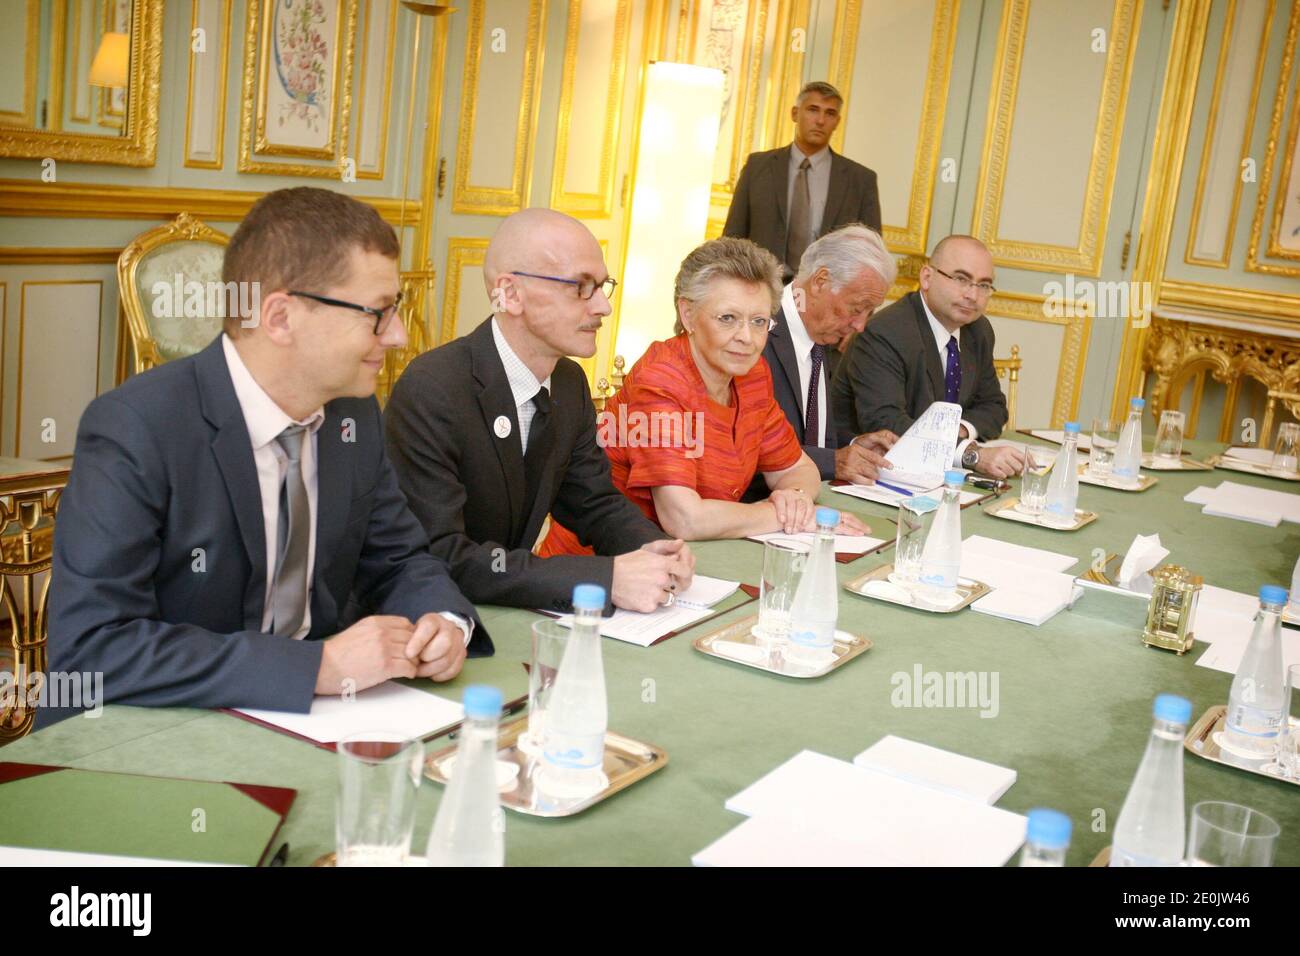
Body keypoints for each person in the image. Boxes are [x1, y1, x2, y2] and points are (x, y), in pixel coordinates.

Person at [41, 187, 486, 728]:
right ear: (279, 317)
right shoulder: (135, 427)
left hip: (312, 724)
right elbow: (92, 650)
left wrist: (440, 620)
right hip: (144, 737)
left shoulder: (354, 416)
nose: (397, 336)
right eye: (378, 314)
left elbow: (399, 559)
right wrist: (315, 667)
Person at [384, 209, 695, 616]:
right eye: (581, 287)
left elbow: (593, 503)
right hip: (433, 619)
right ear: (510, 294)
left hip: (509, 607)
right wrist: (603, 581)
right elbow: (443, 556)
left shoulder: (568, 383)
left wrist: (653, 548)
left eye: (602, 286)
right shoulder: (433, 389)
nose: (603, 306)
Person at [538, 236, 869, 558]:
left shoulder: (752, 375)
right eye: (728, 318)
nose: (747, 338)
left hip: (697, 558)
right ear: (688, 314)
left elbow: (799, 469)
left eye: (758, 322)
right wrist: (787, 516)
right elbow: (684, 518)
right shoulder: (661, 380)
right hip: (606, 566)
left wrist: (794, 499)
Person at [831, 234, 1025, 478]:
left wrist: (957, 430)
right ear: (926, 277)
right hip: (867, 475)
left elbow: (994, 407)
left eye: (983, 285)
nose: (972, 295)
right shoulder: (886, 332)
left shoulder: (978, 330)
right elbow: (887, 423)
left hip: (935, 474)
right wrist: (968, 453)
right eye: (961, 279)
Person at [744, 223, 899, 502]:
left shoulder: (819, 337)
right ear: (820, 281)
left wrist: (851, 445)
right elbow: (743, 445)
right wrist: (832, 461)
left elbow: (802, 430)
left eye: (869, 312)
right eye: (857, 308)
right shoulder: (755, 333)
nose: (860, 325)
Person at [724, 81, 882, 280]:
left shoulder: (860, 180)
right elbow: (732, 237)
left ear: (837, 122)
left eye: (830, 113)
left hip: (828, 294)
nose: (820, 120)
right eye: (813, 110)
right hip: (760, 288)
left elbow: (870, 254)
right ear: (794, 113)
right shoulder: (758, 167)